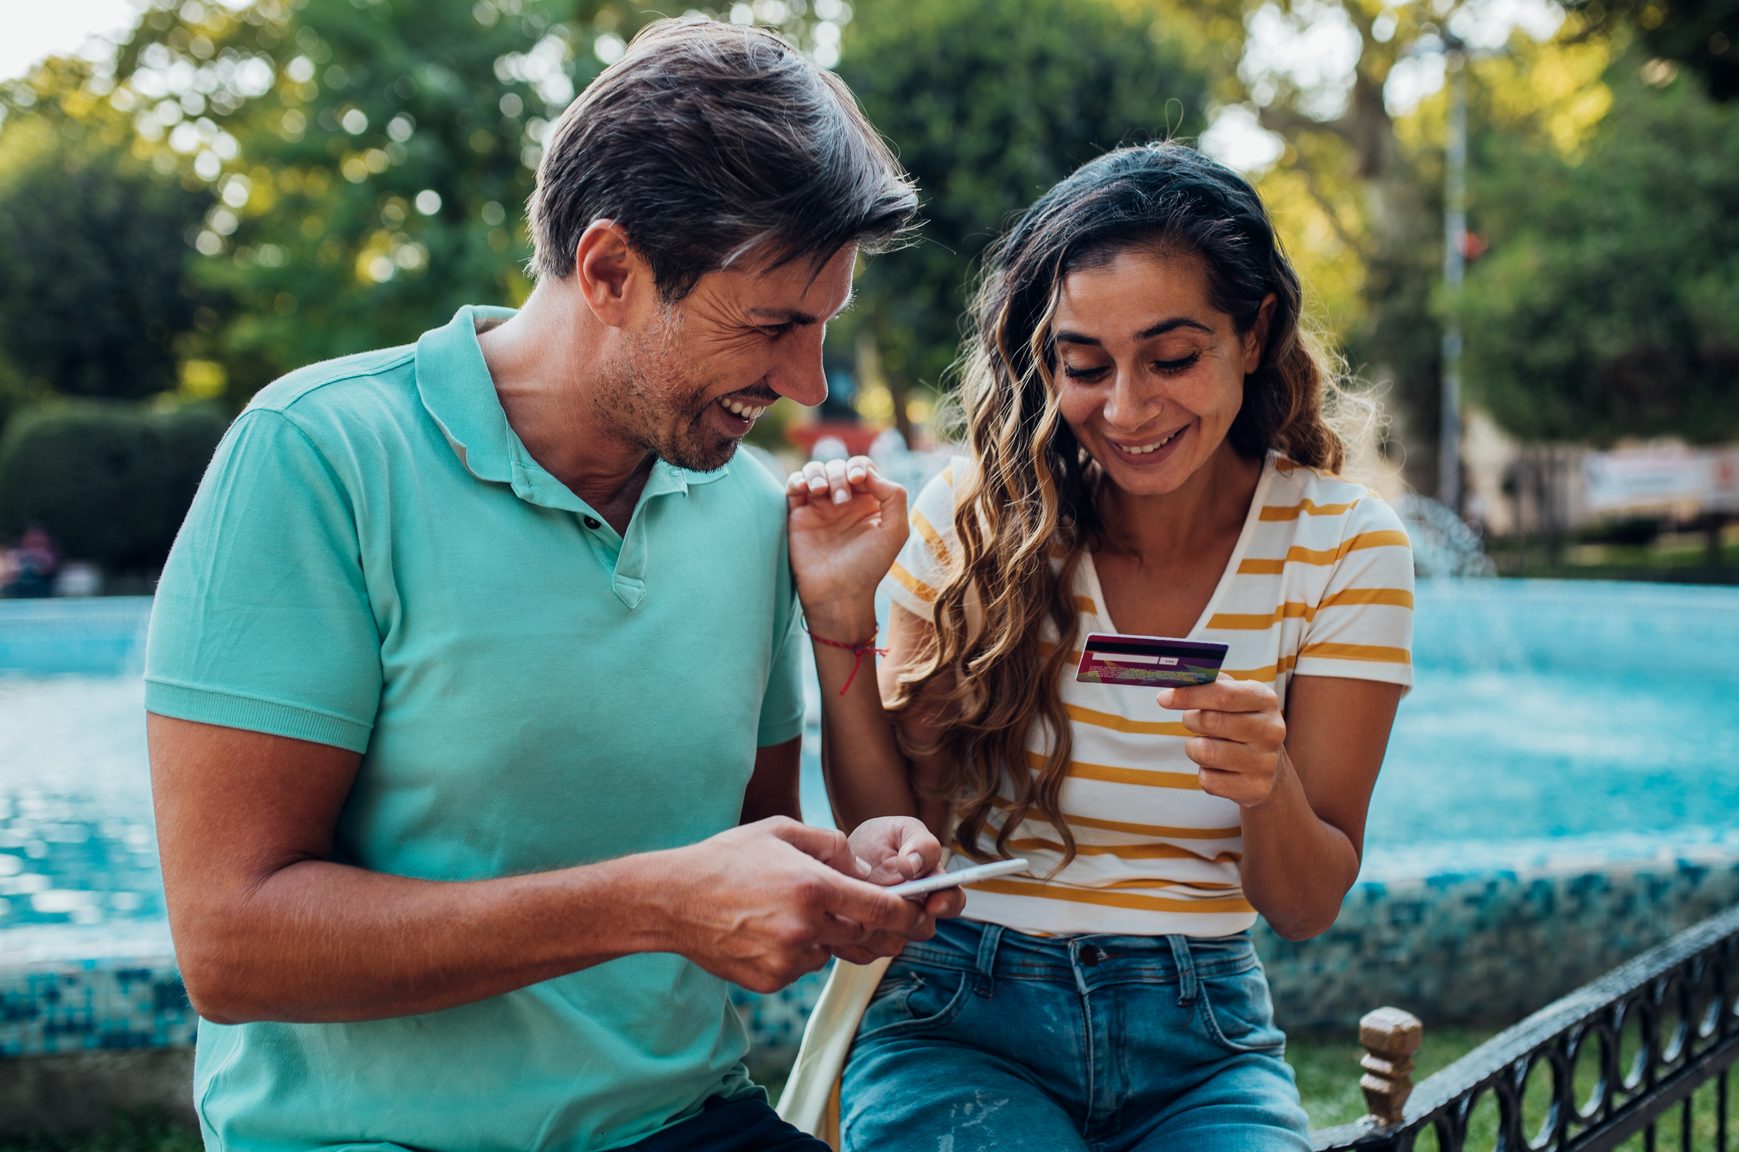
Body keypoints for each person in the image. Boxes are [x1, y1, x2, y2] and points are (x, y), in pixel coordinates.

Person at [144, 18, 960, 1152]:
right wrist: (648, 905)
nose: (803, 381)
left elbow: (745, 848)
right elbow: (230, 944)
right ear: (610, 270)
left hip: (684, 1125)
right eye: (773, 326)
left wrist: (844, 875)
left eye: (823, 326)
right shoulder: (318, 456)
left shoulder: (745, 509)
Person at [786, 143, 1415, 1151]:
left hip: (1202, 1039)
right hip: (961, 1014)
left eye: (1172, 359)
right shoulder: (975, 518)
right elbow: (894, 836)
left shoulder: (1348, 547)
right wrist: (840, 623)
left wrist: (1266, 784)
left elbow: (1304, 905)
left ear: (1254, 334)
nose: (1125, 409)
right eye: (1085, 365)